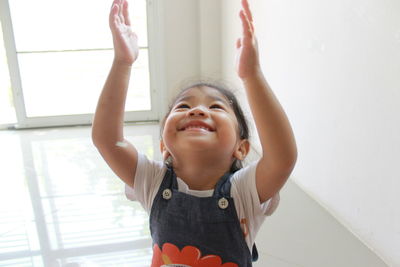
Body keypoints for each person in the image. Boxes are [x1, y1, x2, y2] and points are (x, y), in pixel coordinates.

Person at [92, 0, 297, 266]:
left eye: (215, 106)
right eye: (184, 105)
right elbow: (107, 140)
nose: (197, 110)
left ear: (242, 148)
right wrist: (122, 62)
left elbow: (282, 158)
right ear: (164, 146)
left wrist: (252, 76)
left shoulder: (245, 191)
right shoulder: (152, 181)